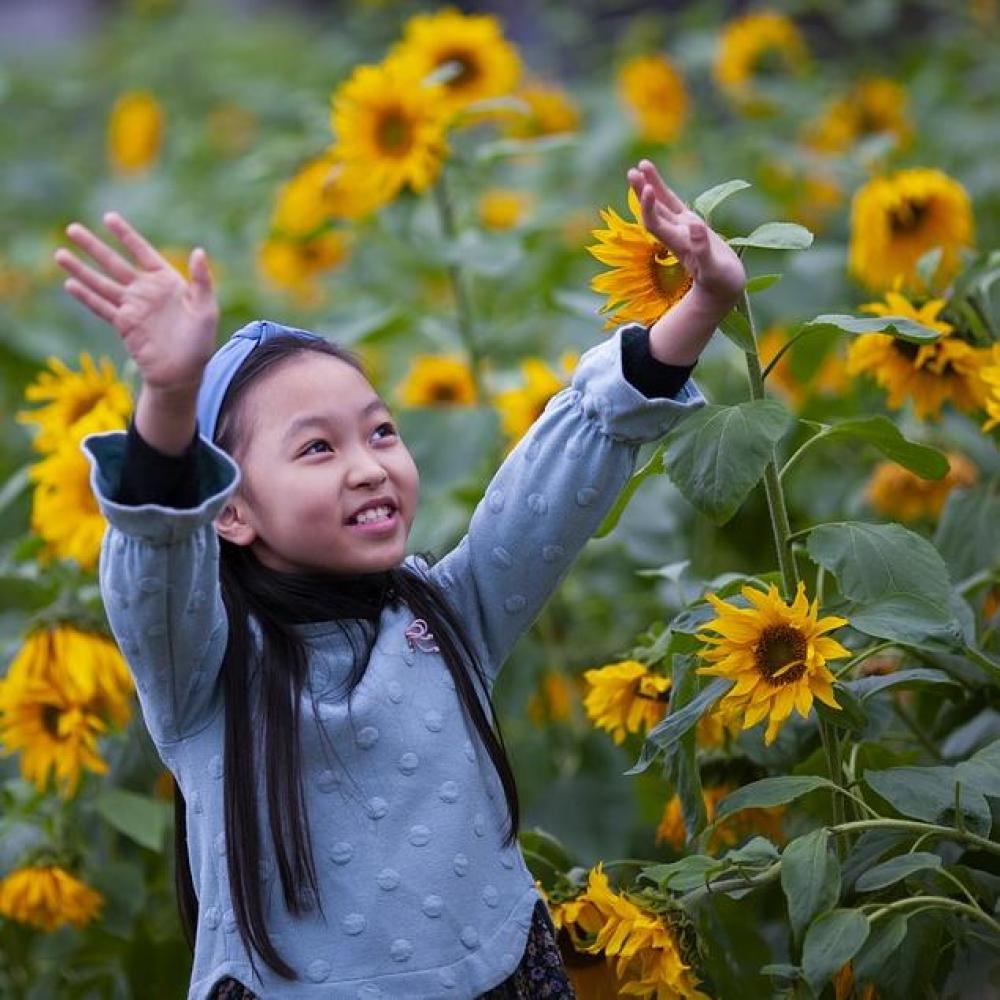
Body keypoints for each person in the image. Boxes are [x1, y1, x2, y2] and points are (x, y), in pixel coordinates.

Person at [56, 159, 746, 999]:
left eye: (380, 432)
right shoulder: (205, 669)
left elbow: (556, 483)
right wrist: (167, 400)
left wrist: (702, 304)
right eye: (317, 447)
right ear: (227, 510)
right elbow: (157, 562)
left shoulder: (447, 613)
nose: (367, 468)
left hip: (505, 974)